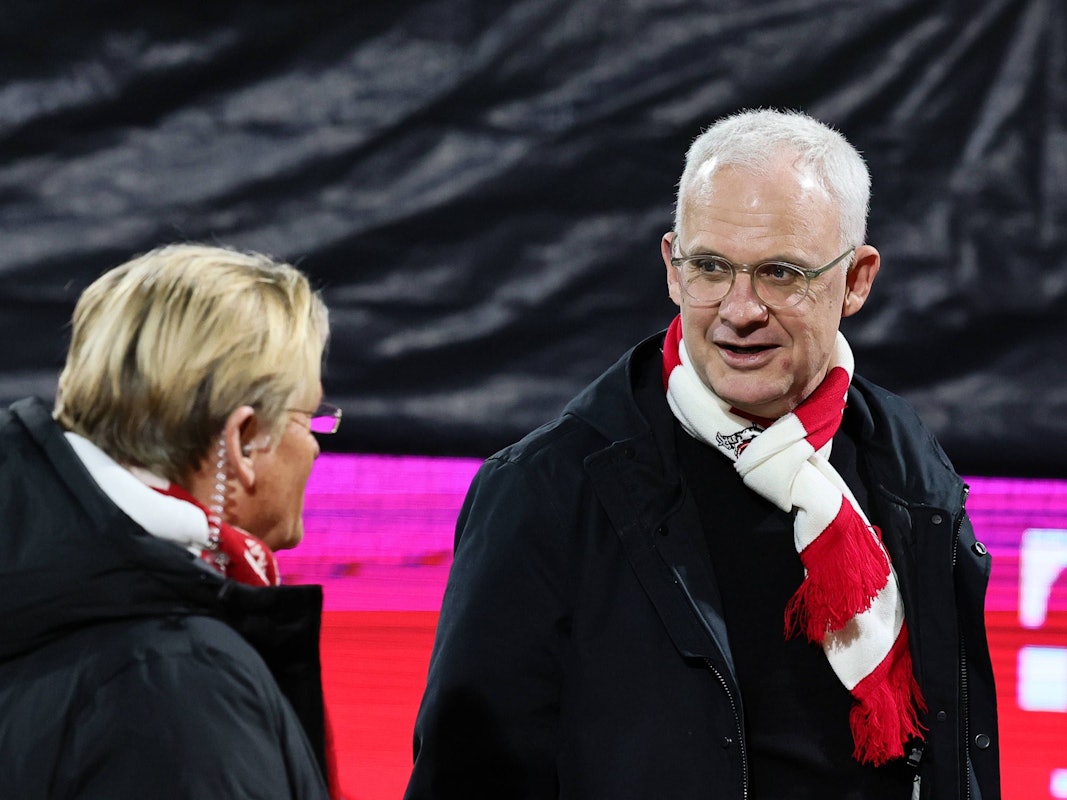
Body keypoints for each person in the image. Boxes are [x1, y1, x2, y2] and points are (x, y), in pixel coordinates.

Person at [406, 109, 1001, 799]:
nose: (738, 309)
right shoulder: (546, 491)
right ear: (670, 267)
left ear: (857, 280)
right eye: (710, 267)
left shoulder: (905, 462)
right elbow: (469, 779)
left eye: (780, 273)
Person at [0, 244, 344, 799]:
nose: (314, 448)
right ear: (245, 440)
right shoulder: (181, 678)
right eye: (312, 419)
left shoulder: (40, 577)